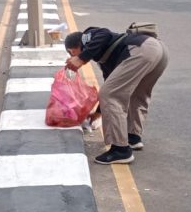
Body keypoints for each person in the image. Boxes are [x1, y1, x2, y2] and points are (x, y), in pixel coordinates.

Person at [64, 27, 169, 165]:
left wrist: (81, 58)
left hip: (142, 49)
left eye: (72, 53)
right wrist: (98, 113)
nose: (72, 58)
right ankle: (133, 137)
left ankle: (120, 150)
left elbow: (104, 34)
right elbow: (111, 85)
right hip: (159, 51)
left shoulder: (87, 35)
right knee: (136, 94)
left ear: (78, 45)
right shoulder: (105, 60)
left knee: (109, 94)